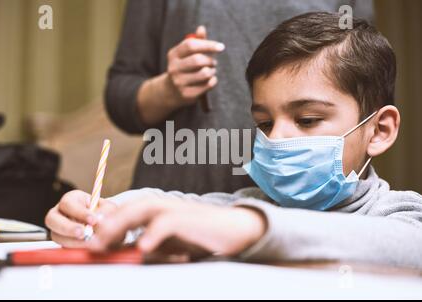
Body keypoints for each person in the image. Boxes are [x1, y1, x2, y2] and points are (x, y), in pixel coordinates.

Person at [47, 12, 422, 269]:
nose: (276, 138)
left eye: (307, 119)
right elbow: (166, 206)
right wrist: (101, 215)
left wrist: (251, 228)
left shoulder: (401, 214)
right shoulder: (242, 204)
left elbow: (405, 246)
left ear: (380, 130)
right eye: (263, 122)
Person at [105, 0, 373, 194]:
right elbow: (119, 96)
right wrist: (168, 90)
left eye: (308, 118)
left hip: (305, 201)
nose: (274, 137)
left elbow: (367, 88)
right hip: (185, 187)